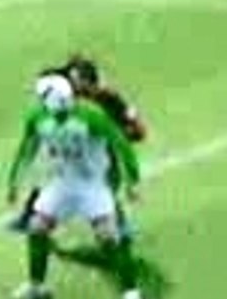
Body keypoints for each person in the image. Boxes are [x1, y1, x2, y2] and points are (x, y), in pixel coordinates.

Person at [6, 73, 143, 299]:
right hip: (62, 183)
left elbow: (120, 143)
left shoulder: (91, 116)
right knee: (37, 228)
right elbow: (27, 148)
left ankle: (131, 292)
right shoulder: (38, 117)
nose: (40, 102)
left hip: (92, 185)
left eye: (43, 97)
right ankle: (37, 286)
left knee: (108, 237)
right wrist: (14, 181)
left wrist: (132, 181)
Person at [9, 54, 146, 241]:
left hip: (99, 147)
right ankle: (30, 214)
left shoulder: (109, 98)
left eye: (82, 87)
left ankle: (116, 222)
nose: (76, 91)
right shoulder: (61, 93)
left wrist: (112, 137)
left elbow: (139, 130)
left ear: (92, 85)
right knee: (52, 173)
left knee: (103, 182)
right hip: (67, 142)